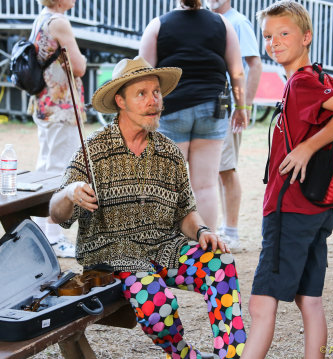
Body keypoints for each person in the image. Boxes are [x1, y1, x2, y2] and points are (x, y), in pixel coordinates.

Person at [49, 57, 247, 359]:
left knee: (220, 263)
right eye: (141, 93)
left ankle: (231, 355)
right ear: (120, 101)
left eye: (156, 92)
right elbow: (56, 213)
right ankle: (182, 354)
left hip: (163, 248)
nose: (153, 101)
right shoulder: (94, 150)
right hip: (113, 254)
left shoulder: (168, 151)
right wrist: (70, 193)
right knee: (159, 305)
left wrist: (203, 230)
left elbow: (185, 211)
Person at [241, 2, 333, 358]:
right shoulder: (316, 79)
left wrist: (307, 148)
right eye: (267, 36)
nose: (273, 42)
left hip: (291, 208)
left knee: (261, 306)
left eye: (284, 33)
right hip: (316, 209)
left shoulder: (304, 82)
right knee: (309, 299)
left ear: (306, 37)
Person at [139, 0, 247, 232]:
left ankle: (168, 248)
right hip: (213, 109)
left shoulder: (158, 25)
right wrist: (241, 107)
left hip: (172, 109)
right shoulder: (223, 24)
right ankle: (205, 248)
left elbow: (143, 75)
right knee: (206, 186)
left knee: (167, 186)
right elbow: (237, 71)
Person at [28, 0, 87, 258]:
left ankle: (42, 235)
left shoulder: (42, 18)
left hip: (45, 103)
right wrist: (82, 56)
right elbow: (79, 66)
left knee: (47, 168)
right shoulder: (59, 22)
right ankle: (53, 237)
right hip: (61, 107)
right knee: (61, 172)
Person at [207, 0, 262, 249]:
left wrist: (244, 106)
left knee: (226, 169)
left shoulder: (239, 22)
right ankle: (223, 228)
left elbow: (254, 64)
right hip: (213, 106)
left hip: (230, 105)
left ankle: (232, 231)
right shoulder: (209, 20)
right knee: (218, 170)